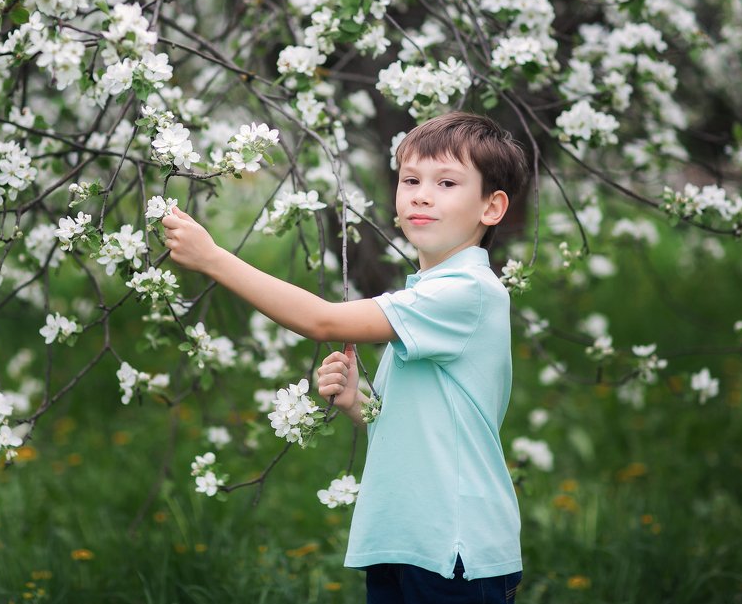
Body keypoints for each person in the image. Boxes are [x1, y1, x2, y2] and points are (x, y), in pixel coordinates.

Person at [162, 111, 529, 603]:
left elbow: (322, 321)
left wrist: (213, 259)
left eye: (446, 182)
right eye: (411, 180)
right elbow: (421, 428)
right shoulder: (429, 293)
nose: (421, 194)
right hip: (404, 537)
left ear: (492, 207)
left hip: (454, 548)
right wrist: (360, 402)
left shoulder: (468, 292)